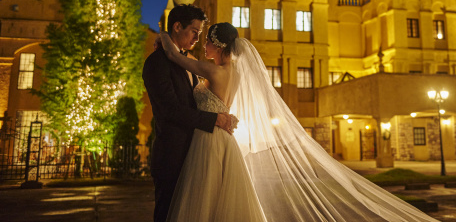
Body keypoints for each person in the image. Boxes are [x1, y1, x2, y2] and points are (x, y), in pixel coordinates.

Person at [161, 22, 439, 222]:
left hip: (209, 140)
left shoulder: (213, 69)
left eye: (206, 40)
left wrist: (165, 36)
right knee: (223, 195)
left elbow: (174, 56)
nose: (203, 45)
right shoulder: (236, 73)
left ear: (218, 44)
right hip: (225, 139)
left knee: (203, 196)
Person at [143, 5, 234, 222]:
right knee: (169, 215)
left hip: (198, 155)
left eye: (201, 34)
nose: (198, 39)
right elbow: (170, 110)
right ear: (177, 26)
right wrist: (215, 119)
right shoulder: (157, 62)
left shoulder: (187, 61)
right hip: (172, 156)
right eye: (194, 32)